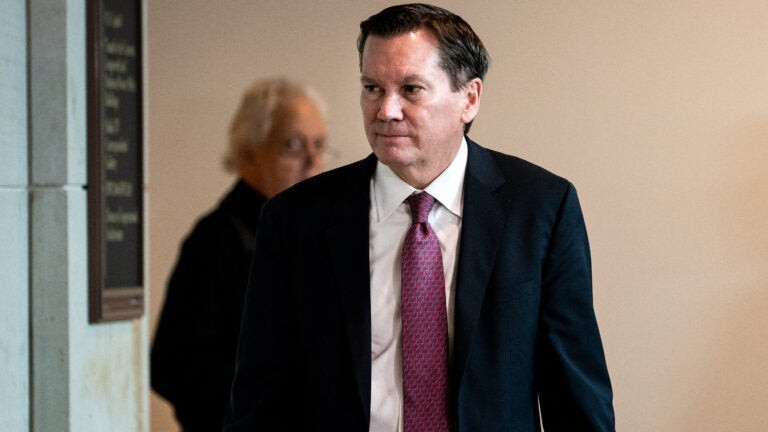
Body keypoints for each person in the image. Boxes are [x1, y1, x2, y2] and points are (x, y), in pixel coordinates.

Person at [224, 4, 614, 431]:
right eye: (372, 88)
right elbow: (260, 400)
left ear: (469, 99)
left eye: (411, 89)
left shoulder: (540, 208)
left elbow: (575, 396)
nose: (386, 110)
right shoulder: (295, 219)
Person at [151, 77, 327, 432]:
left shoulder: (311, 233)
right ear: (248, 154)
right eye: (293, 146)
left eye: (319, 145)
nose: (312, 161)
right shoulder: (215, 241)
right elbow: (171, 367)